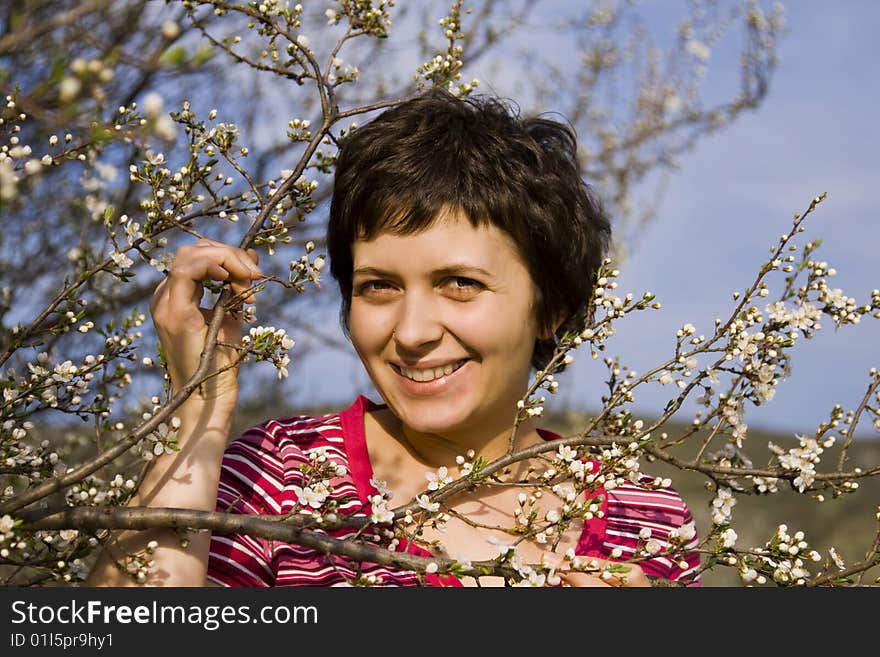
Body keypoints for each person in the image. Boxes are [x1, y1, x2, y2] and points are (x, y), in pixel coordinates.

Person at [86, 89, 701, 587]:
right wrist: (197, 408)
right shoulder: (272, 479)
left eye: (459, 284)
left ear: (552, 309)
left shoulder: (642, 520)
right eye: (378, 286)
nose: (411, 332)